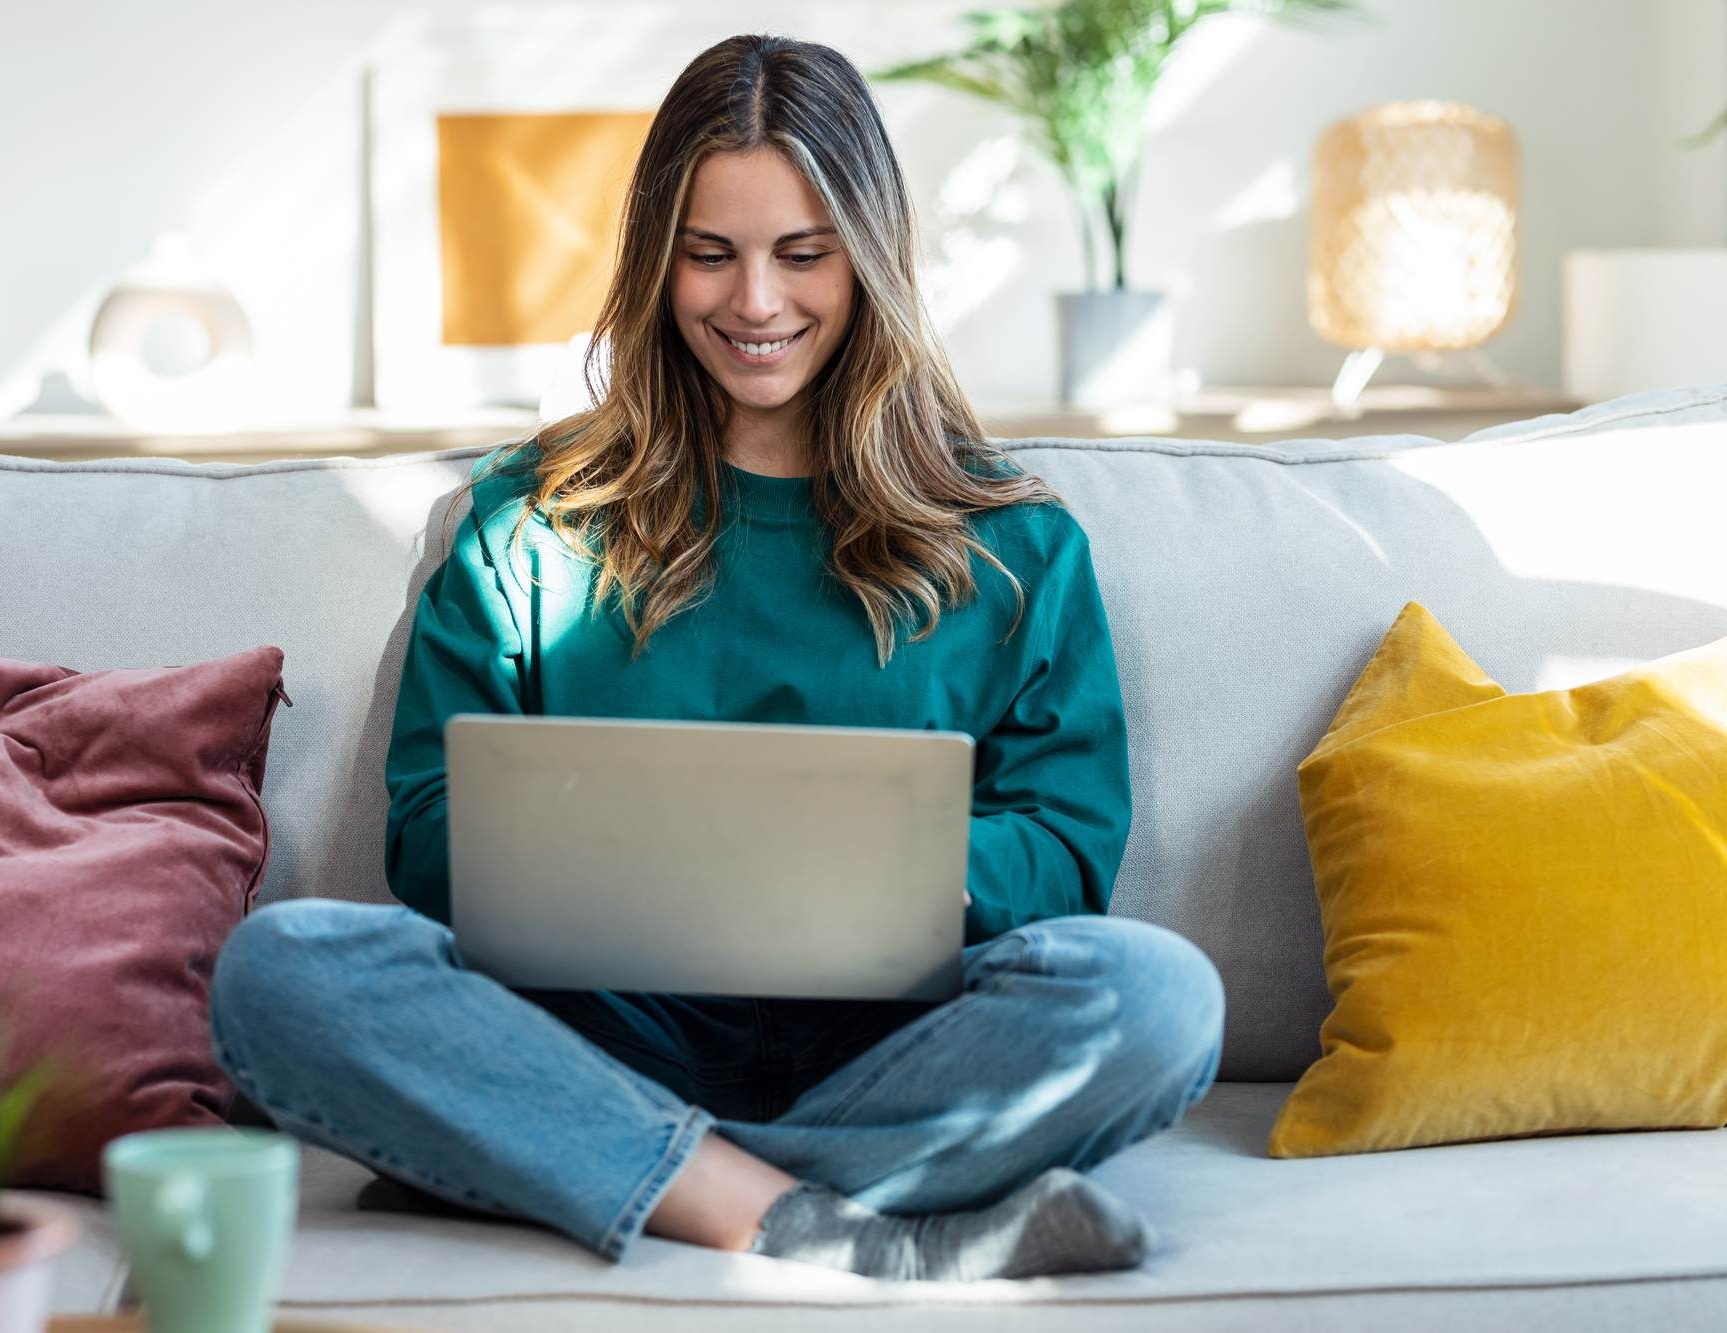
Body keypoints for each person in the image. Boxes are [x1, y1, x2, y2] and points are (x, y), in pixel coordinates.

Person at [208, 32, 1224, 1283]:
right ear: (654, 261)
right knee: (281, 969)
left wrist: (859, 866)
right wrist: (621, 853)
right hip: (593, 1031)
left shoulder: (1012, 542)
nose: (755, 302)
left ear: (870, 257)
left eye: (802, 255)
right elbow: (422, 834)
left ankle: (619, 1172)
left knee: (1159, 996)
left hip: (902, 1040)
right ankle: (825, 1222)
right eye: (710, 255)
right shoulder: (529, 519)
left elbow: (1068, 851)